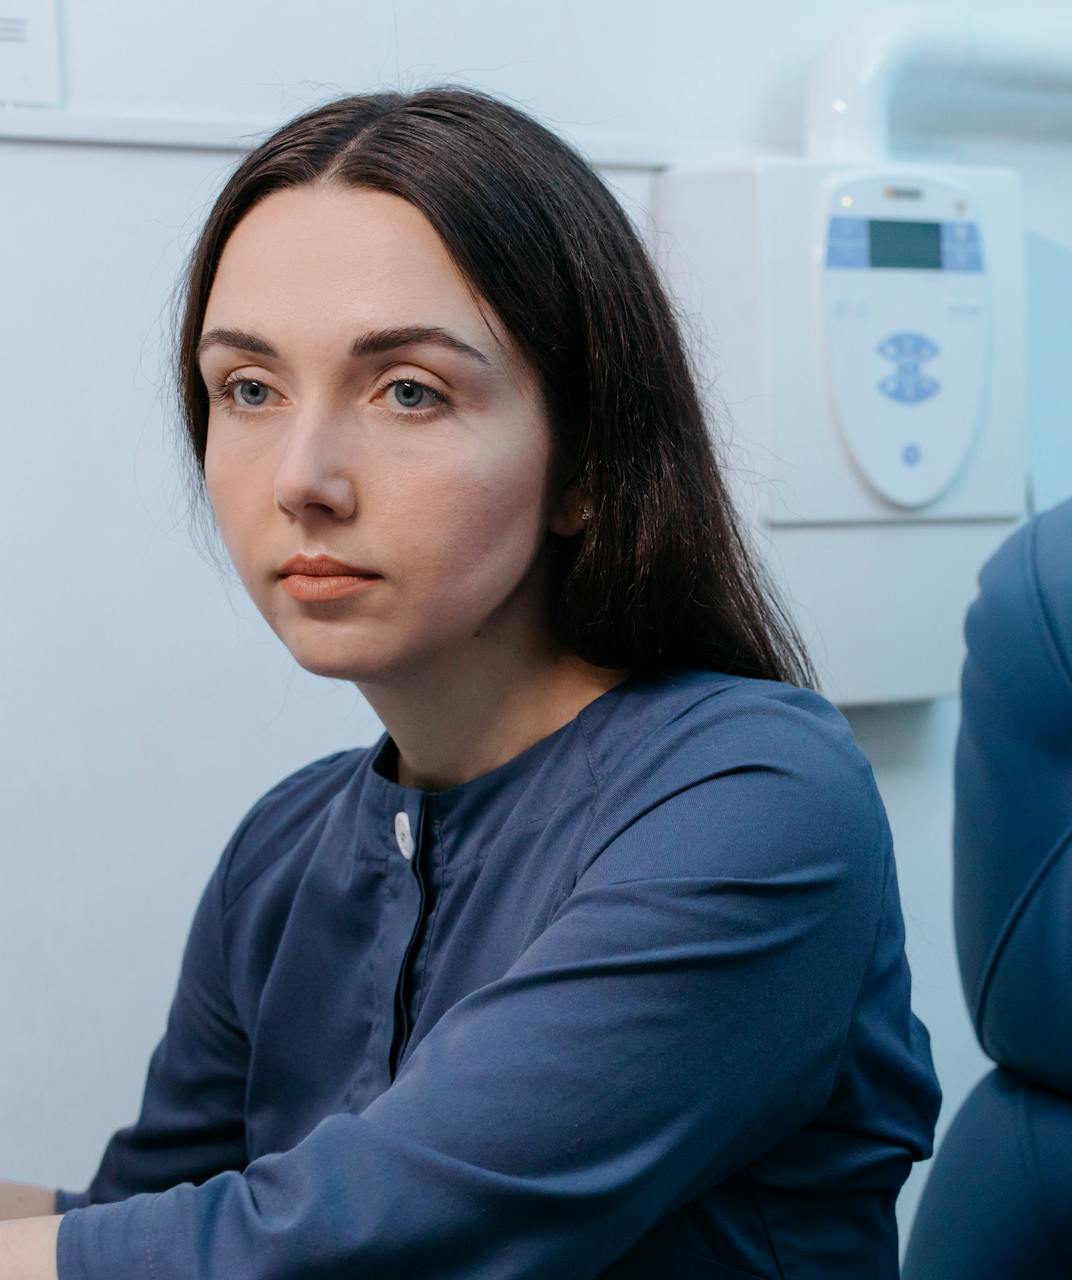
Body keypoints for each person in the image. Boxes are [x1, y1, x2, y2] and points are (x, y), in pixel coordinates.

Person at [0, 85, 942, 1279]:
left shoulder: (757, 795)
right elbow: (146, 1217)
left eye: (409, 390)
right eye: (249, 387)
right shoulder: (285, 849)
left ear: (587, 462)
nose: (304, 477)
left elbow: (373, 1236)